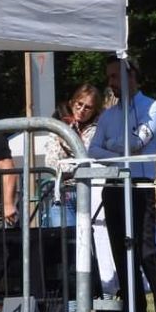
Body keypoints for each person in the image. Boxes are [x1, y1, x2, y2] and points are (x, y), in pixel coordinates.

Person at [89, 53, 156, 312]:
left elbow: (138, 142)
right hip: (114, 188)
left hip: (140, 188)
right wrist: (120, 148)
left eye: (115, 76)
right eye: (108, 78)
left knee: (147, 251)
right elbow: (93, 149)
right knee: (121, 252)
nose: (111, 83)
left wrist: (114, 146)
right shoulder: (108, 115)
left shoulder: (152, 107)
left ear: (131, 76)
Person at [43, 84, 103, 228]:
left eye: (88, 107)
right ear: (72, 102)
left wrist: (66, 146)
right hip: (62, 192)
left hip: (91, 192)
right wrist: (76, 165)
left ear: (95, 110)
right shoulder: (58, 125)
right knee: (64, 241)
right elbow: (52, 162)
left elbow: (89, 159)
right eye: (79, 104)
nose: (82, 110)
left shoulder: (99, 128)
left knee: (91, 242)